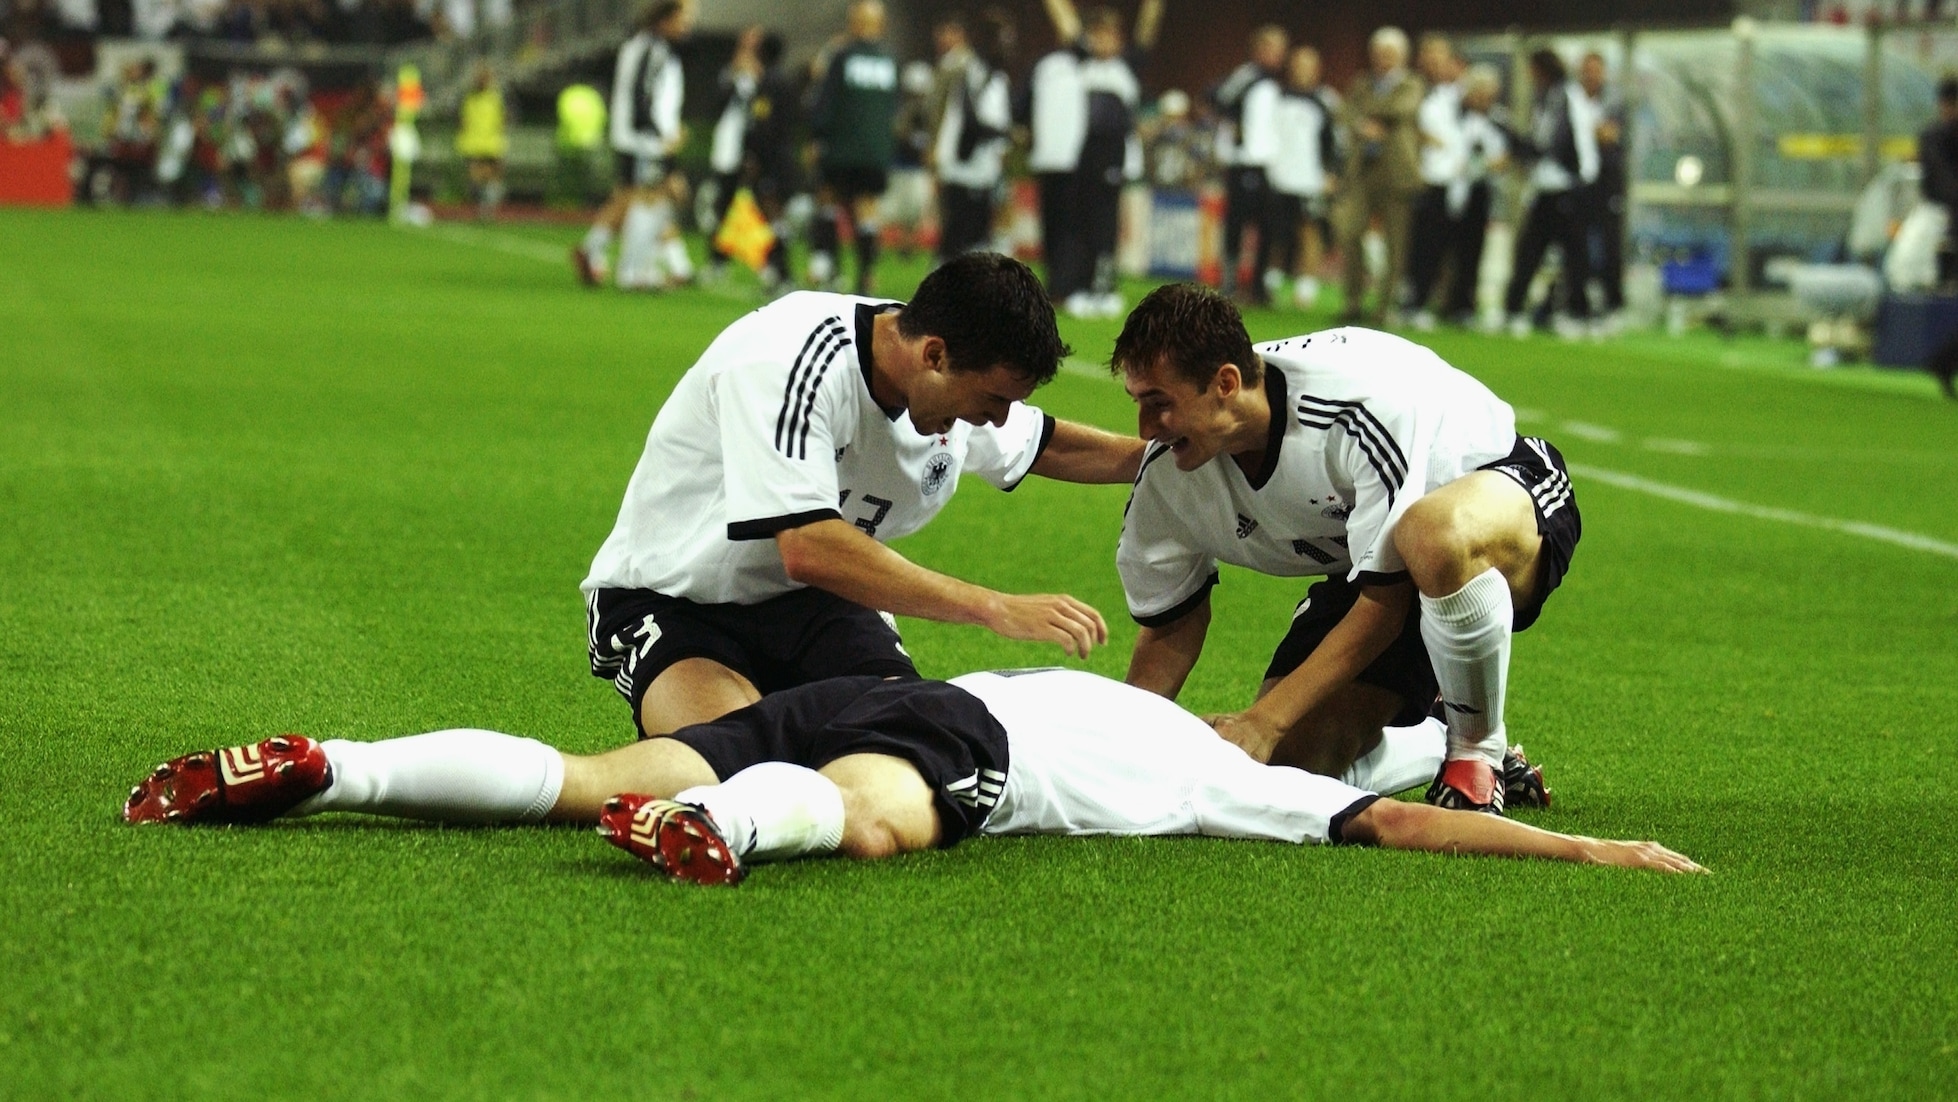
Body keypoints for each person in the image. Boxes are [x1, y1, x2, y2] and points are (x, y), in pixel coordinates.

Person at [122, 669, 1704, 886]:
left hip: (883, 682)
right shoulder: (1238, 781)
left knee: (580, 768)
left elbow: (1370, 773)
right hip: (963, 743)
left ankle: (340, 765)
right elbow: (1388, 813)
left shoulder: (1148, 704)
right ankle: (719, 826)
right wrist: (1589, 856)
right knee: (877, 822)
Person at [584, 252, 1143, 742]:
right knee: (731, 762)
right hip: (680, 600)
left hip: (817, 604)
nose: (999, 419)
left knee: (909, 746)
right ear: (934, 356)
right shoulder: (786, 359)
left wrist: (1178, 455)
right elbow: (808, 547)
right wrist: (993, 607)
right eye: (993, 399)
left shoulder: (948, 371)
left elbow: (1052, 446)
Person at [1112, 284, 1578, 815]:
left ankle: (1476, 754)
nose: (1145, 429)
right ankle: (1435, 735)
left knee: (1431, 533)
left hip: (1498, 495)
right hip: (1375, 567)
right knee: (1283, 766)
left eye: (1159, 404)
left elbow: (1385, 605)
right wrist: (1124, 747)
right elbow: (1171, 625)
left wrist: (1263, 719)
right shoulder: (1170, 475)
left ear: (1225, 383)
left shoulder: (1354, 405)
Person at [1026, 0, 1164, 319]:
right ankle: (1076, 286)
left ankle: (1101, 287)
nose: (1103, 42)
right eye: (1097, 35)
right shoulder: (1082, 60)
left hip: (1113, 154)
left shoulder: (1126, 65)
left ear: (1118, 39)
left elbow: (1147, 29)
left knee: (1105, 223)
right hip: (1084, 155)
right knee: (1078, 223)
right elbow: (1066, 21)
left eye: (1109, 36)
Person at [572, 0, 692, 290]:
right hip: (643, 140)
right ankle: (635, 271)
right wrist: (660, 135)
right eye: (681, 19)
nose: (685, 25)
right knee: (650, 199)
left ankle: (598, 252)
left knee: (631, 199)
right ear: (664, 21)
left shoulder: (640, 46)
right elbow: (644, 96)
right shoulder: (653, 50)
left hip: (632, 136)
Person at [1501, 48, 1599, 339]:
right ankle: (1514, 309)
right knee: (1530, 252)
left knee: (1574, 256)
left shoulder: (1566, 96)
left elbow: (1571, 143)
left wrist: (1580, 181)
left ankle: (1579, 314)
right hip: (1546, 188)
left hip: (1568, 188)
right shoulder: (1545, 98)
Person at [806, 0, 900, 295]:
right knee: (866, 210)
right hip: (875, 152)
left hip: (841, 148)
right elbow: (893, 108)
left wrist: (816, 137)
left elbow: (825, 101)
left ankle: (828, 267)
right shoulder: (891, 60)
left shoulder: (843, 56)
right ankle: (867, 274)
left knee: (828, 202)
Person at [1333, 26, 1423, 326]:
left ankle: (1384, 308)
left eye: (1390, 54)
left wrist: (1363, 116)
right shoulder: (1361, 82)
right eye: (1379, 53)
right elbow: (1344, 113)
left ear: (1402, 57)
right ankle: (1353, 301)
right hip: (1363, 171)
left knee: (1395, 245)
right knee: (1349, 231)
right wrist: (1361, 123)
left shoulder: (1411, 83)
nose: (1383, 59)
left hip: (1398, 173)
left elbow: (1401, 109)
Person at [1210, 24, 1287, 304]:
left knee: (1267, 226)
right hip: (1244, 162)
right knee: (1236, 224)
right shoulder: (1246, 76)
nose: (1275, 54)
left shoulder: (1277, 83)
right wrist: (1235, 136)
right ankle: (1229, 282)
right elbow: (1217, 98)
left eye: (1279, 48)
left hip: (1268, 165)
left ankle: (1258, 286)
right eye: (1269, 47)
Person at [932, 8, 1013, 260]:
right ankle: (943, 286)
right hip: (964, 166)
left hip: (982, 167)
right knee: (958, 233)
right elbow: (965, 118)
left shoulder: (995, 77)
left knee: (975, 232)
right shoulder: (969, 71)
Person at [1266, 45, 1338, 311]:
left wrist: (1332, 173)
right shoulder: (1276, 96)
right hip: (1278, 176)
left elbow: (1335, 142)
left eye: (1308, 65)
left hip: (1310, 179)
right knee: (1274, 232)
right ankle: (1269, 283)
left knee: (1309, 230)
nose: (1302, 71)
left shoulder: (1326, 100)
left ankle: (1306, 287)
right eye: (1298, 64)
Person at [1438, 64, 1507, 327]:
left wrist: (1495, 163)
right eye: (1480, 93)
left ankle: (1464, 304)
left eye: (1489, 95)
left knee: (1472, 251)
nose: (1484, 100)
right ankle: (1437, 300)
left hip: (1480, 190)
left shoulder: (1498, 119)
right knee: (1443, 247)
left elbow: (1510, 152)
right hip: (1450, 187)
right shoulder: (1453, 115)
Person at [1405, 34, 1464, 330]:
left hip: (1457, 181)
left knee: (1452, 248)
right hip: (1425, 178)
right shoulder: (1414, 89)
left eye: (1438, 55)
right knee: (1422, 247)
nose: (1433, 61)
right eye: (1428, 54)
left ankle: (1452, 304)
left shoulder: (1461, 95)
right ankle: (1415, 302)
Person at [1575, 51, 1626, 332]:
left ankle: (1613, 305)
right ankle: (1581, 307)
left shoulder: (1614, 101)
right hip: (1581, 182)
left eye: (1596, 69)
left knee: (1609, 244)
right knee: (1579, 247)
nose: (1591, 75)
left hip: (1607, 181)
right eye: (1586, 69)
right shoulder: (1572, 99)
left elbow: (1610, 136)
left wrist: (1584, 131)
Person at [454, 61, 508, 221]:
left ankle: (488, 208)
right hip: (473, 142)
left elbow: (501, 120)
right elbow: (464, 120)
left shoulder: (495, 98)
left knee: (493, 176)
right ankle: (481, 206)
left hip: (492, 142)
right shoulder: (470, 98)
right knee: (475, 178)